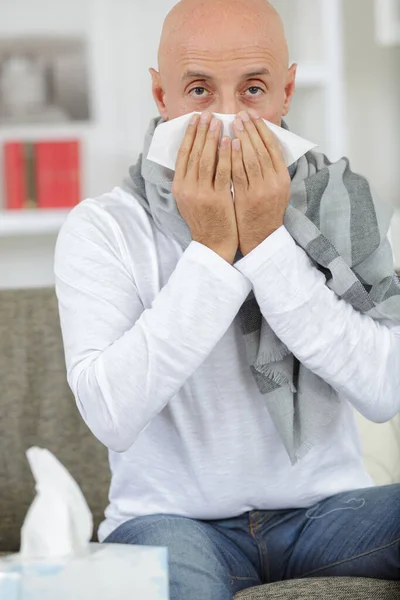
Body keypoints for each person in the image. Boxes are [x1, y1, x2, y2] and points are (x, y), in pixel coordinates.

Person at [54, 0, 400, 598]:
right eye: (197, 90)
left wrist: (267, 243)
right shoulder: (103, 227)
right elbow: (111, 416)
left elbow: (385, 391)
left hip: (328, 516)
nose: (226, 119)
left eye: (254, 89)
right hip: (169, 523)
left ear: (286, 91)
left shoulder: (340, 208)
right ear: (160, 96)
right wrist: (214, 252)